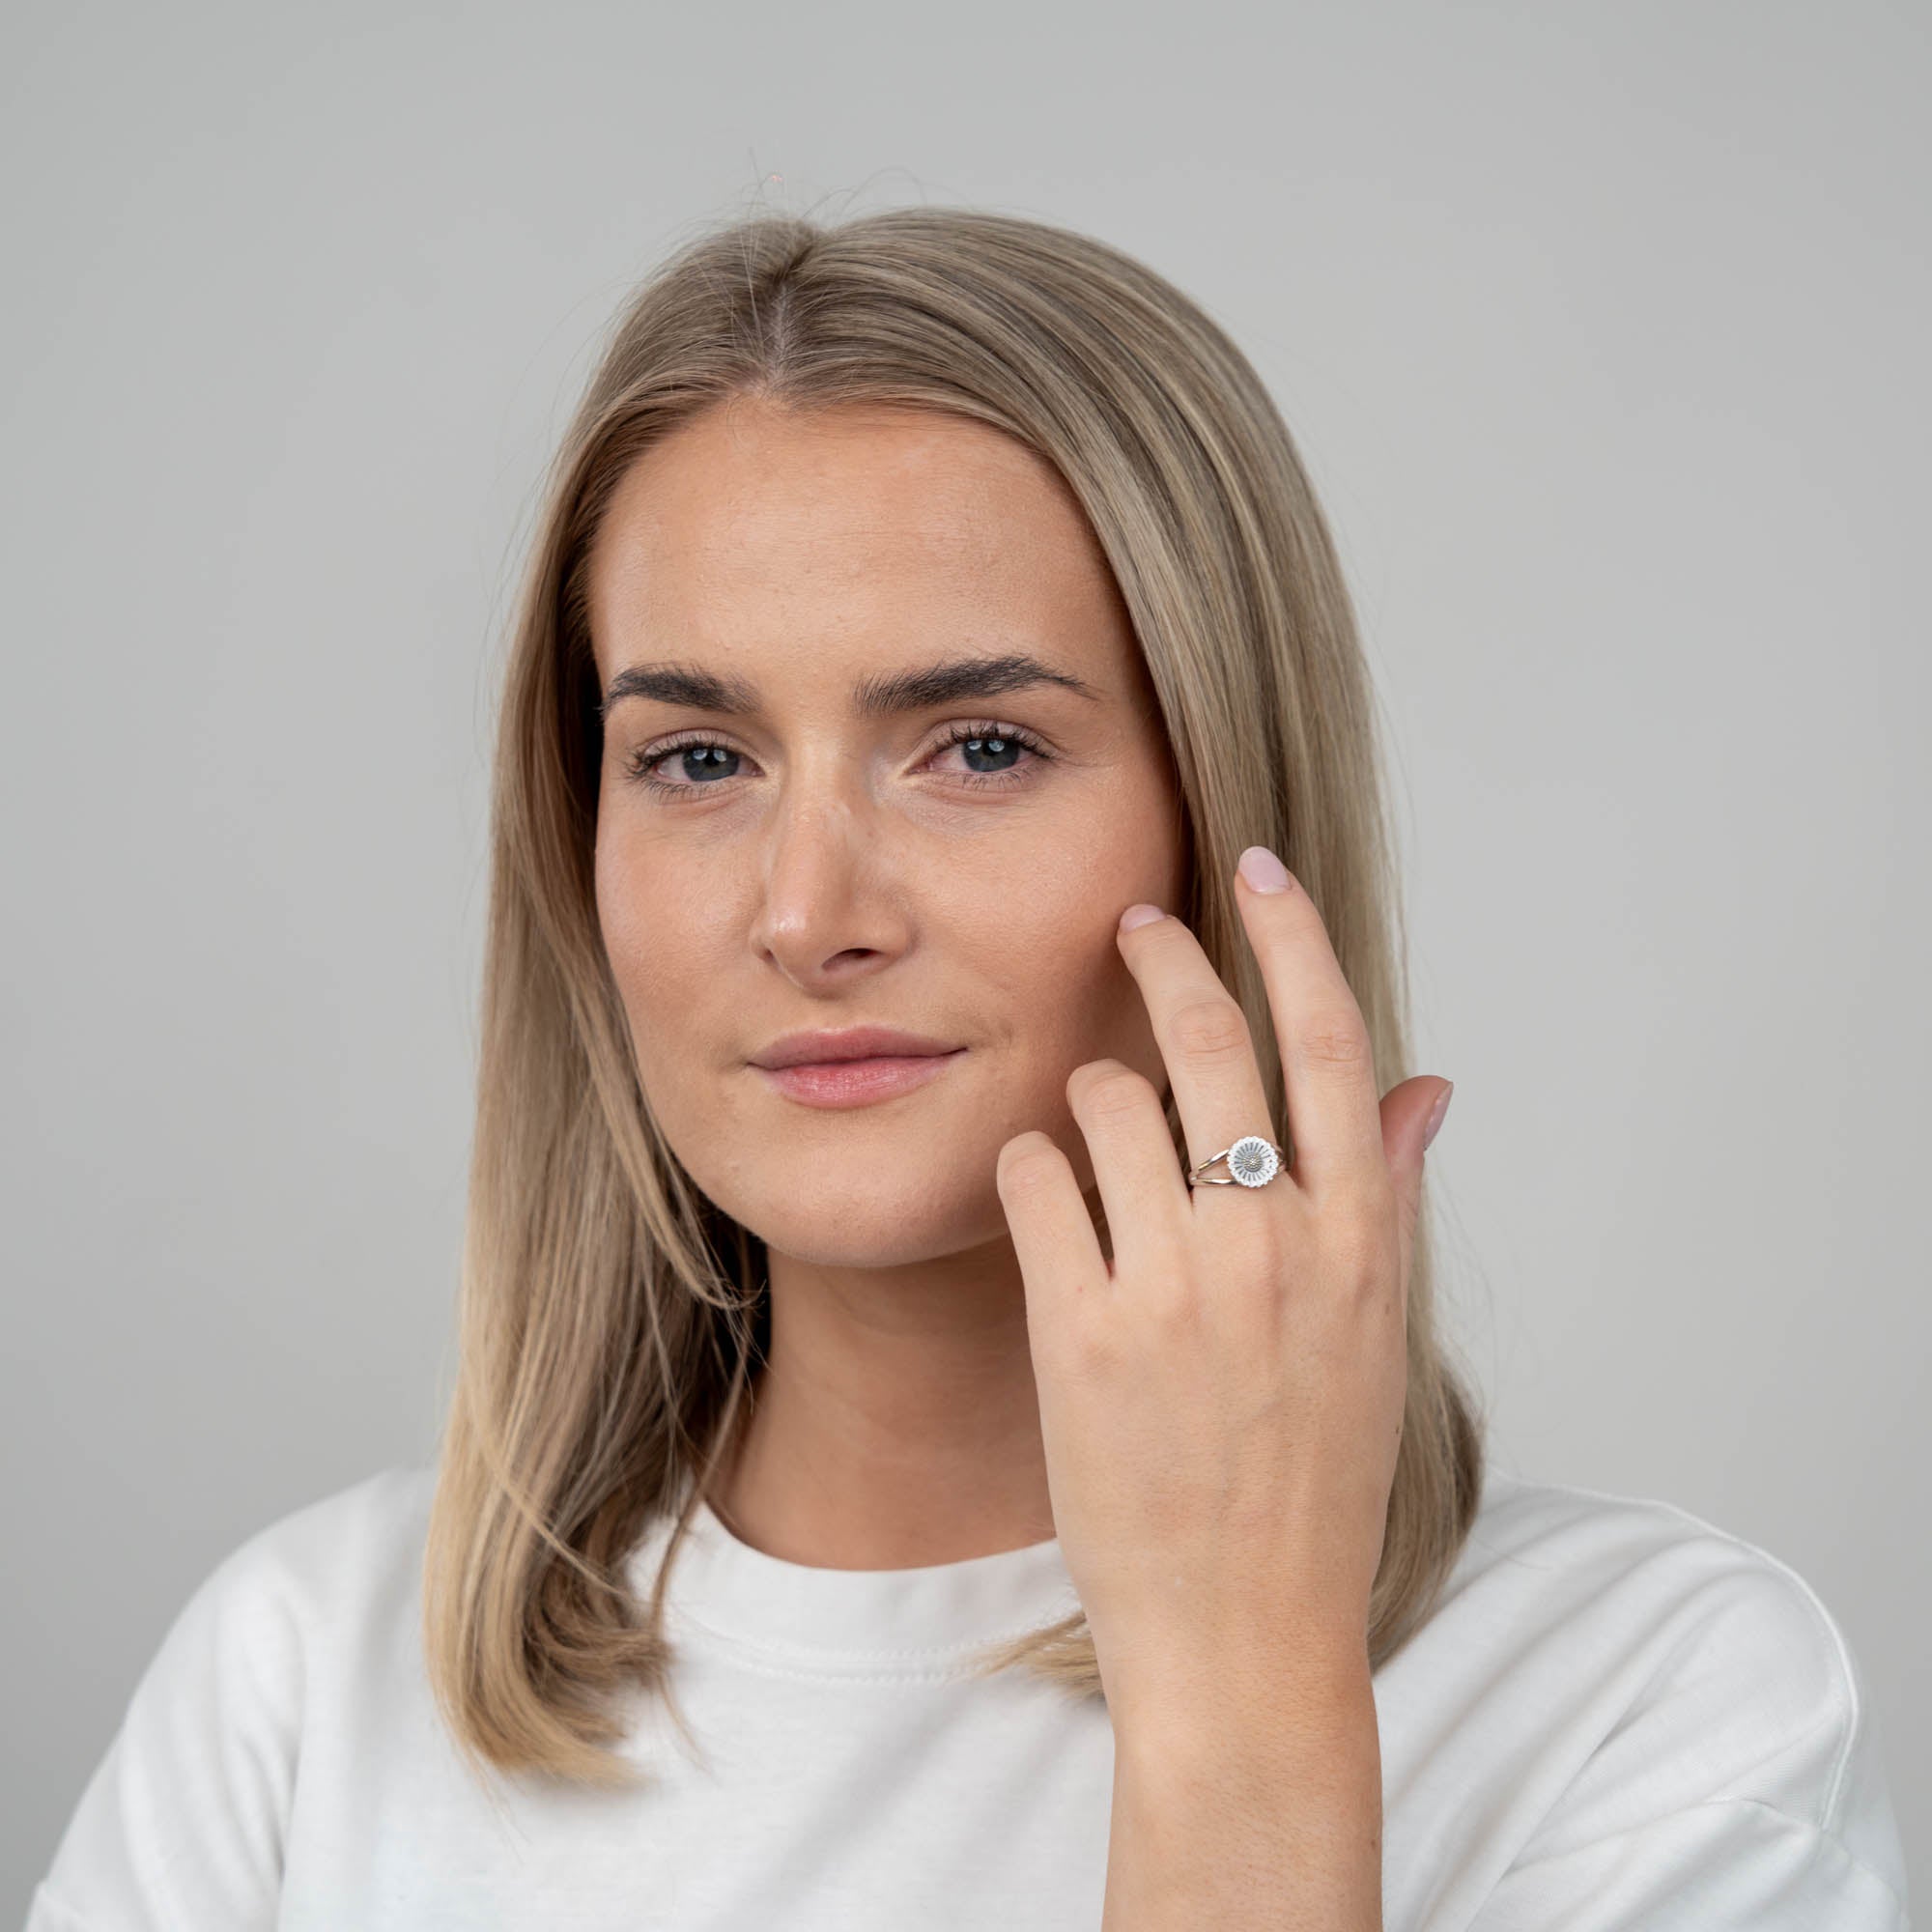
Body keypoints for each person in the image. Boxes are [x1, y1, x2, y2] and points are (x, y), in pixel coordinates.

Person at [27, 208, 1910, 1930]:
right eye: (697, 760)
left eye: (979, 748)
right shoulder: (303, 1688)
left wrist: (1240, 1702)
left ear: (1228, 811)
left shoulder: (1638, 1706)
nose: (806, 913)